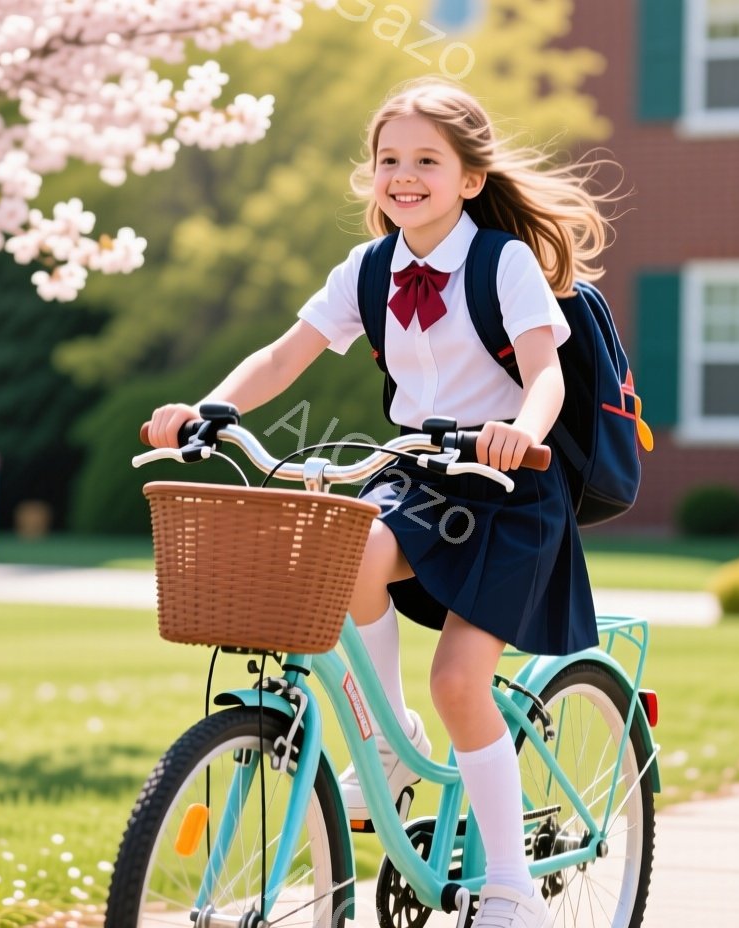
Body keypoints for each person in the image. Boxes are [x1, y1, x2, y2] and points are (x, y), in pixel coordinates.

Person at [146, 77, 614, 928]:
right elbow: (285, 356)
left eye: (427, 161)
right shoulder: (368, 269)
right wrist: (208, 408)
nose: (404, 175)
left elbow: (545, 373)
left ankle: (511, 885)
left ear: (470, 178)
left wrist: (518, 430)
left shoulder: (502, 262)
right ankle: (391, 737)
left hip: (508, 487)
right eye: (389, 159)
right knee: (347, 558)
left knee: (461, 682)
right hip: (419, 472)